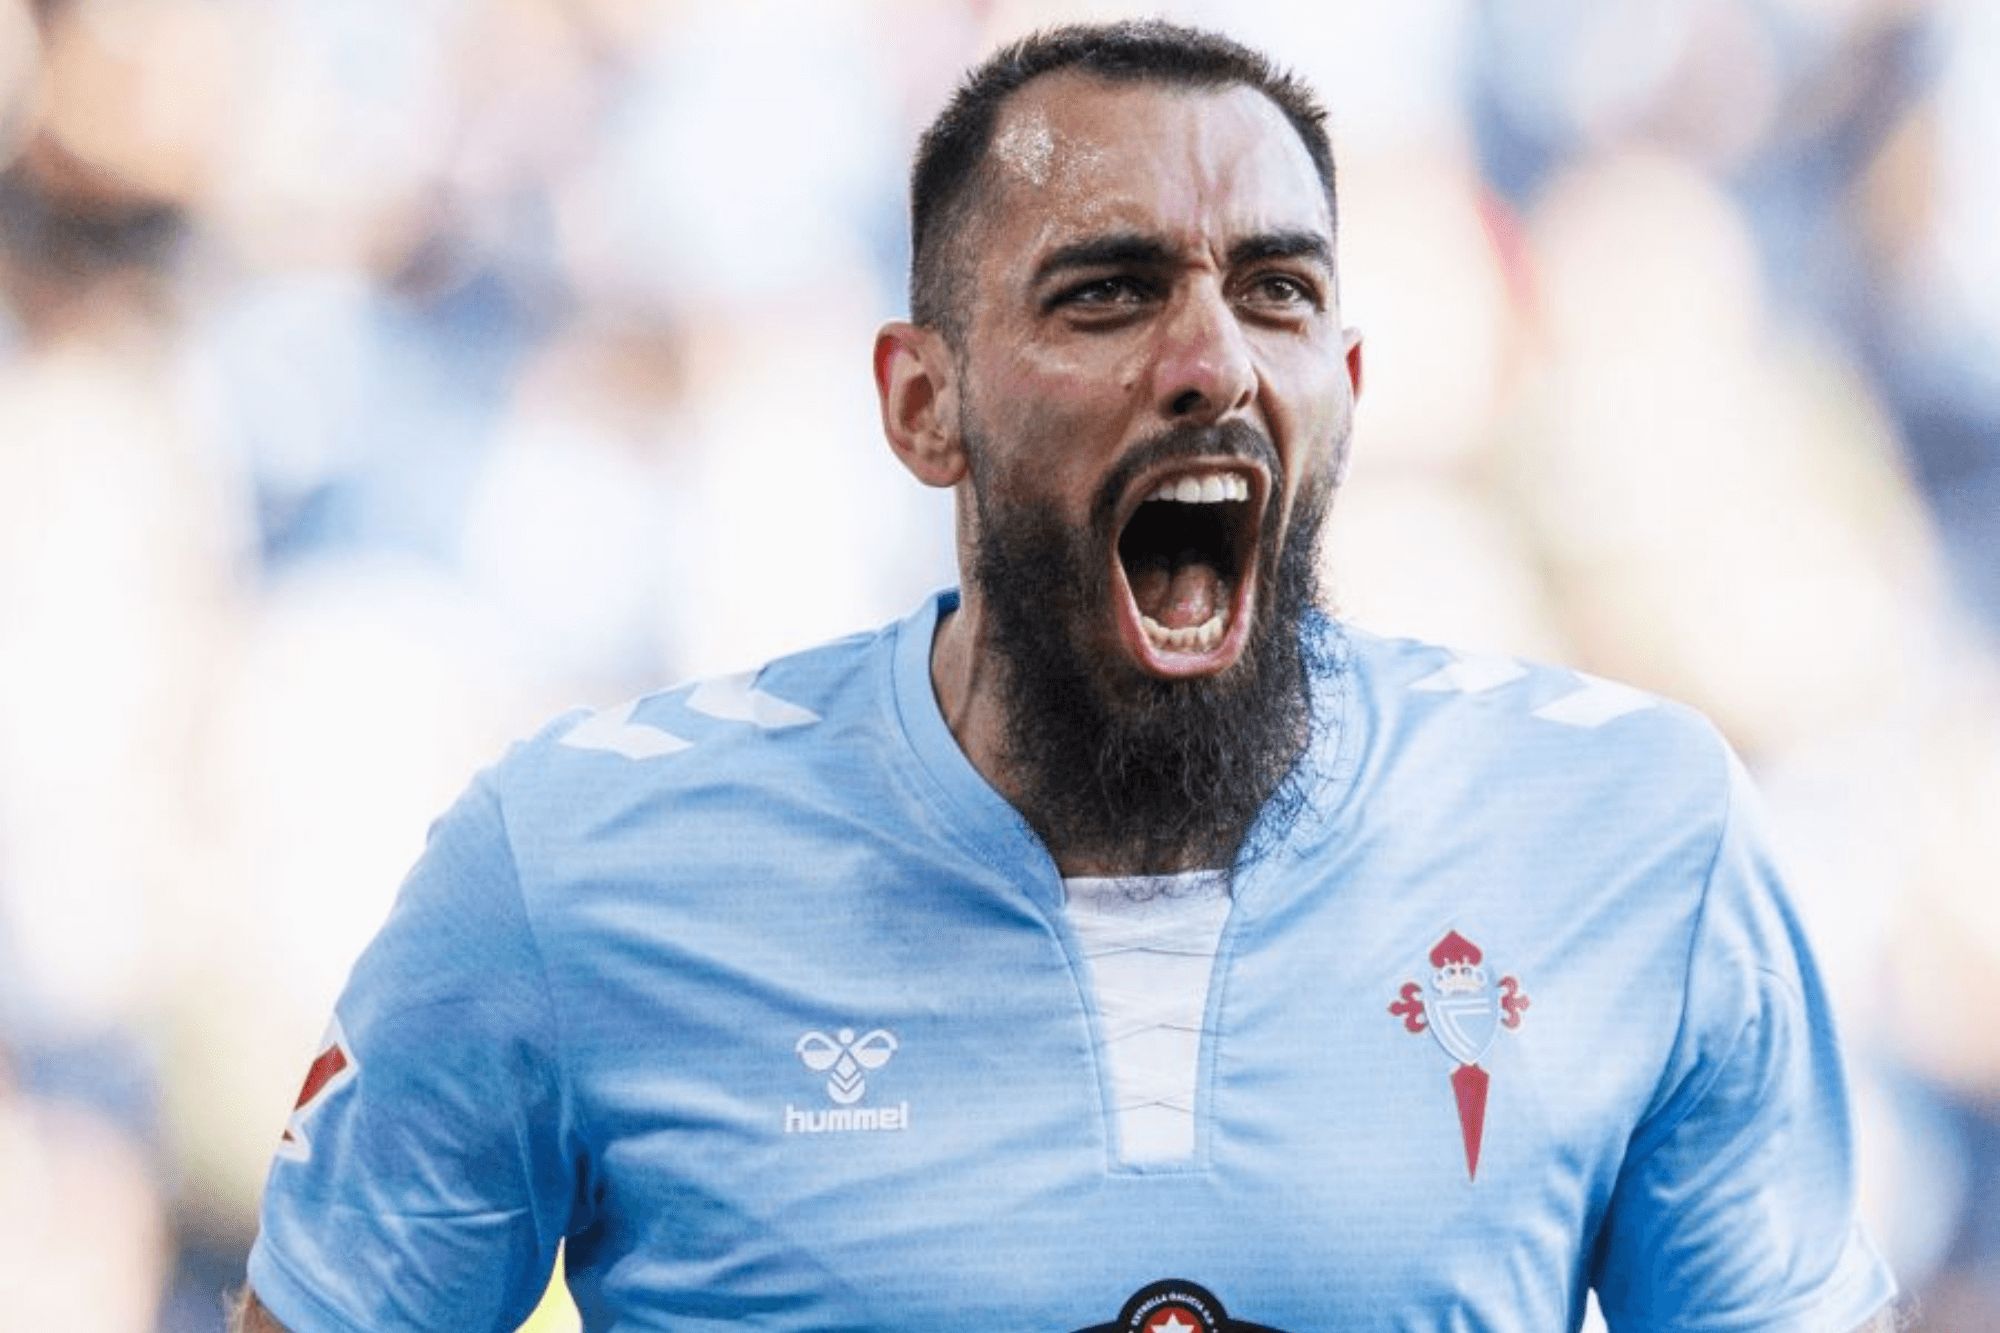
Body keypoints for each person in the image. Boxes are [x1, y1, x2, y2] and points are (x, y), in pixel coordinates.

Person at [234, 21, 1899, 1332]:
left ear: (1350, 386)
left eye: (1278, 293)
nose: (1209, 362)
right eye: (1107, 293)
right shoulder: (569, 869)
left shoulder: (1631, 833)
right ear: (920, 404)